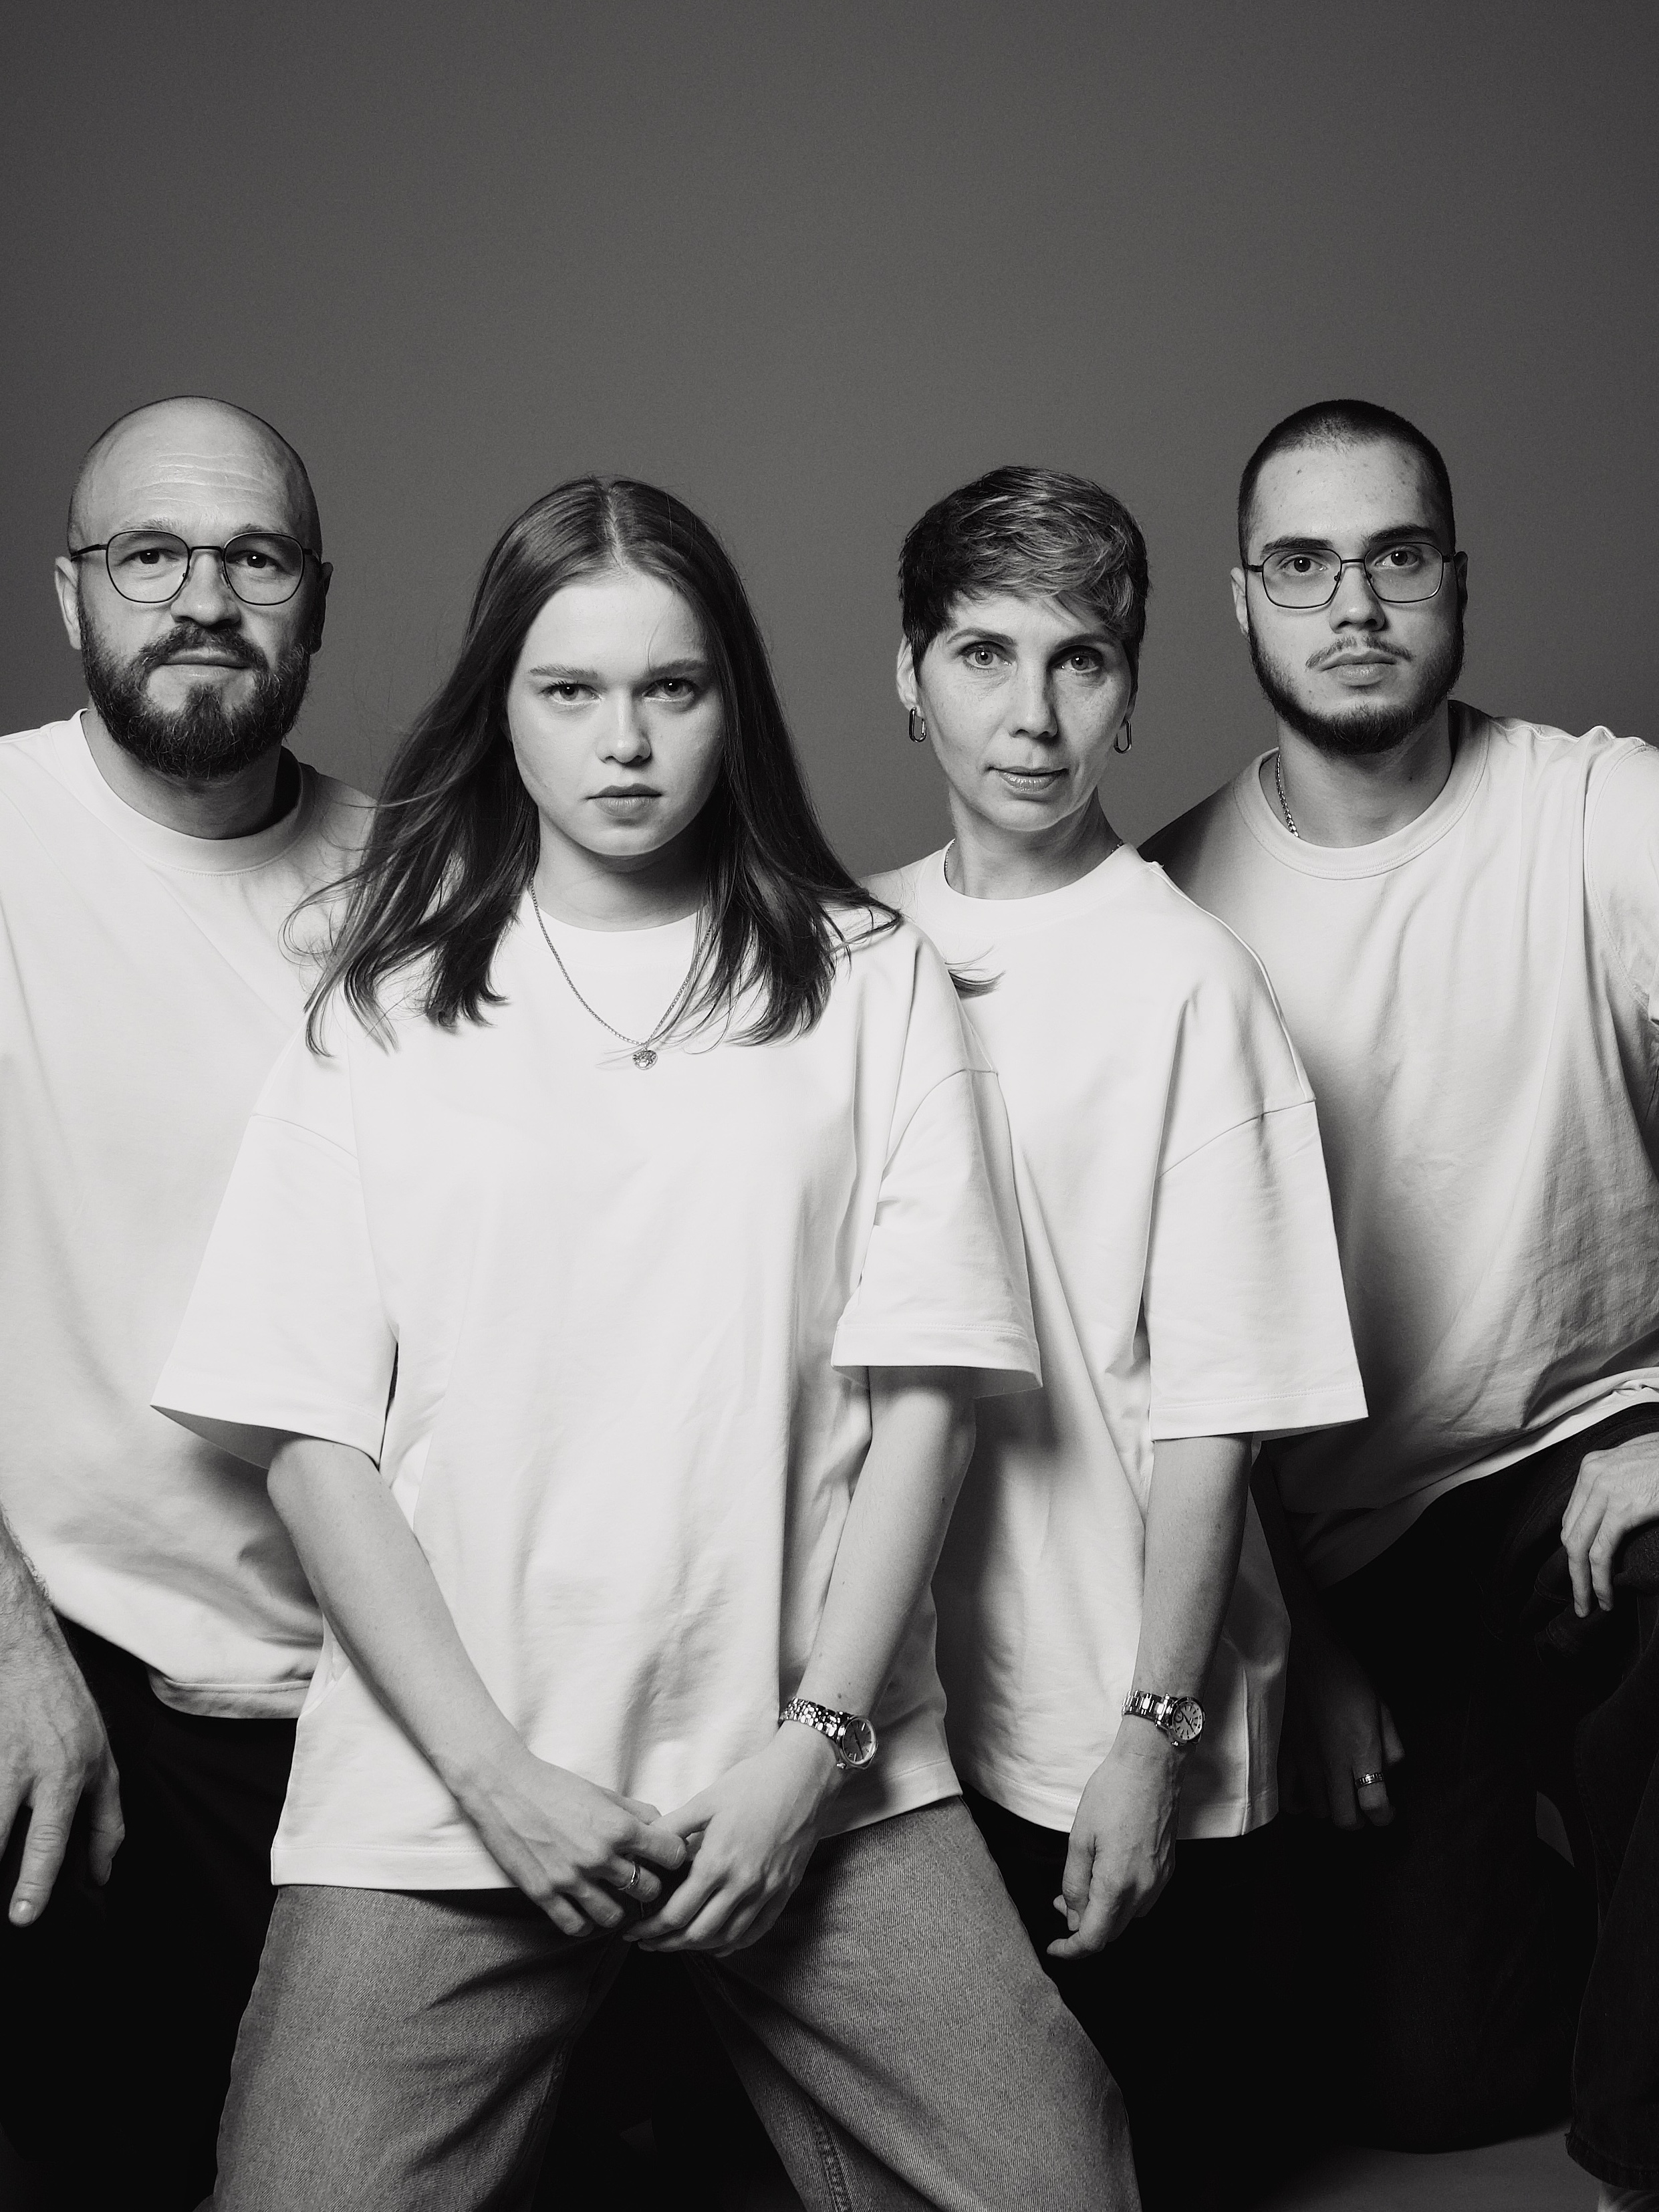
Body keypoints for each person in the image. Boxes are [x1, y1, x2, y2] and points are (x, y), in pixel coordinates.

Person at [152, 476, 1142, 2212]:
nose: (625, 741)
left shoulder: (871, 981)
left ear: (730, 702)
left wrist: (809, 1757)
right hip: (453, 1785)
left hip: (811, 1773)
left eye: (671, 689)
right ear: (504, 707)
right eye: (571, 691)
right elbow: (307, 1441)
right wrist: (494, 1781)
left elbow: (927, 1405)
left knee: (1064, 2186)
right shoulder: (378, 1011)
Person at [1147, 398, 1659, 2210]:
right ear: (1241, 600)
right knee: (1421, 2070)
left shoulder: (1603, 812)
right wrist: (1307, 1643)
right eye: (1302, 563)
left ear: (1455, 580)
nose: (1353, 602)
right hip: (1362, 1549)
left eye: (1396, 555)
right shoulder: (1175, 911)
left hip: (1606, 1453)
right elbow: (1158, 1353)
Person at [869, 465, 1366, 2211]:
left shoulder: (1188, 981)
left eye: (1078, 660)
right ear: (906, 673)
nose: (1032, 713)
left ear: (1132, 688)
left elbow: (1218, 1407)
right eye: (983, 654)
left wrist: (1153, 1735)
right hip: (905, 1710)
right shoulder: (851, 945)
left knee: (1160, 2170)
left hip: (1111, 1709)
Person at [0, 396, 368, 2208]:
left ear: (317, 602)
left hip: (367, 1686)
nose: (204, 599)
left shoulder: (417, 878)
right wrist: (7, 1649)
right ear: (74, 594)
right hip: (72, 1666)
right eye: (152, 556)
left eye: (254, 558)